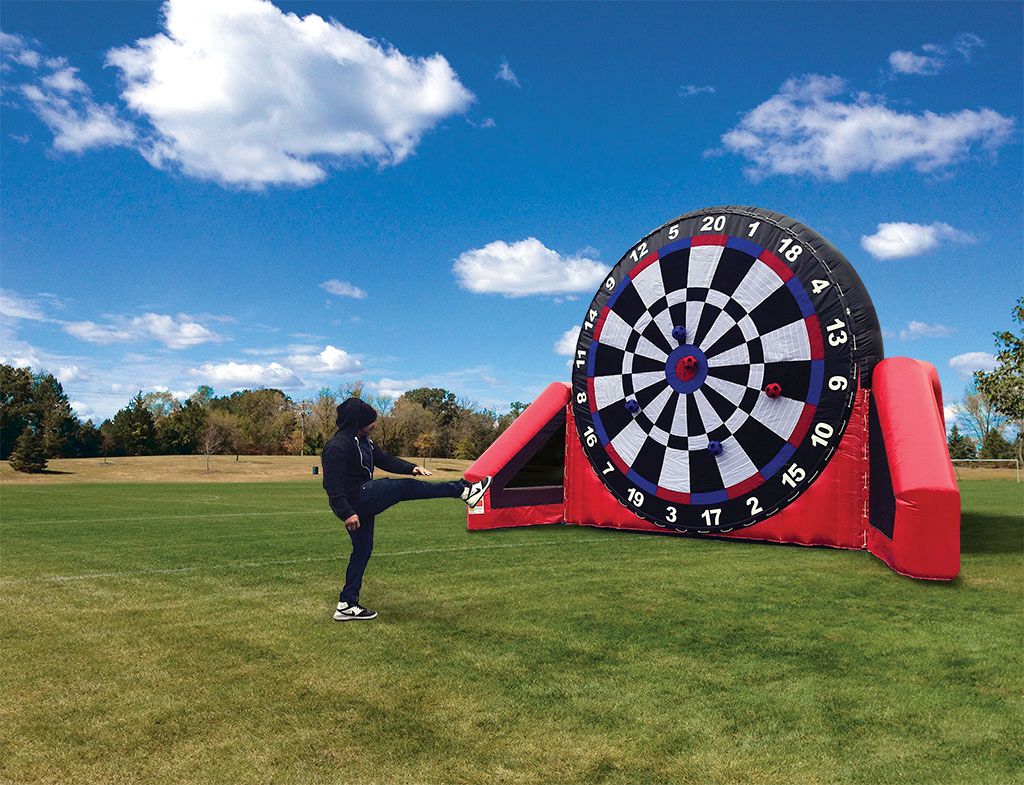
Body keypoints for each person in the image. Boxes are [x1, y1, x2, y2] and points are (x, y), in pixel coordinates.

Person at [321, 397, 491, 622]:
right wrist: (346, 513)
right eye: (372, 421)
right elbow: (332, 485)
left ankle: (346, 604)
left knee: (362, 551)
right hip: (356, 500)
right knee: (404, 487)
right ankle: (463, 490)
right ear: (359, 421)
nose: (375, 425)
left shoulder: (364, 441)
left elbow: (385, 459)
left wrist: (412, 467)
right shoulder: (337, 445)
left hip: (363, 499)